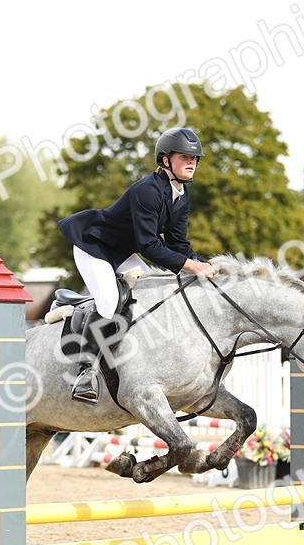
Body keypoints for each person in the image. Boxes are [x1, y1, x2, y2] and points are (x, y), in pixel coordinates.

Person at [57, 126, 215, 402]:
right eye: (184, 157)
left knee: (148, 294)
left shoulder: (182, 195)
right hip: (94, 246)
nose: (192, 162)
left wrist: (203, 266)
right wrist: (191, 267)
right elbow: (149, 246)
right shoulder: (147, 191)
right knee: (108, 301)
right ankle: (85, 373)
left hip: (121, 251)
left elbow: (178, 243)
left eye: (195, 159)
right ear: (165, 160)